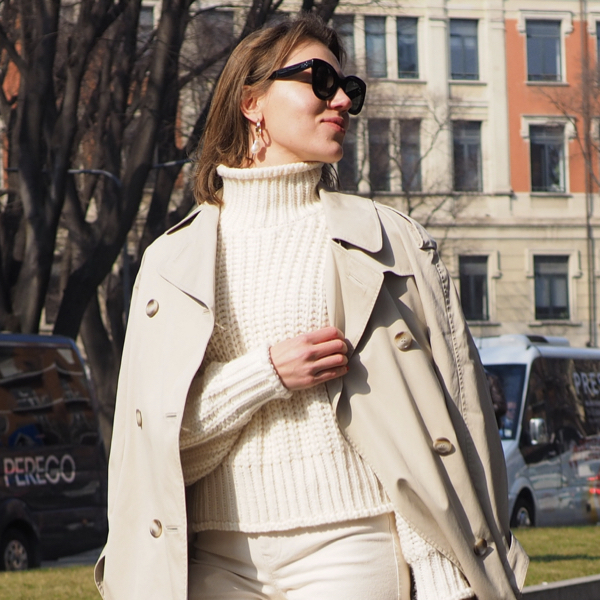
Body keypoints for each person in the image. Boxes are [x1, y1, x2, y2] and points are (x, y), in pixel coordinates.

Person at [94, 13, 528, 600]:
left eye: (349, 88)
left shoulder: (388, 242)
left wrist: (442, 569)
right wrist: (265, 376)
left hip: (351, 546)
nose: (342, 100)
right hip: (209, 559)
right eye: (320, 81)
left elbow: (450, 415)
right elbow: (155, 444)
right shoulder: (171, 262)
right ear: (253, 102)